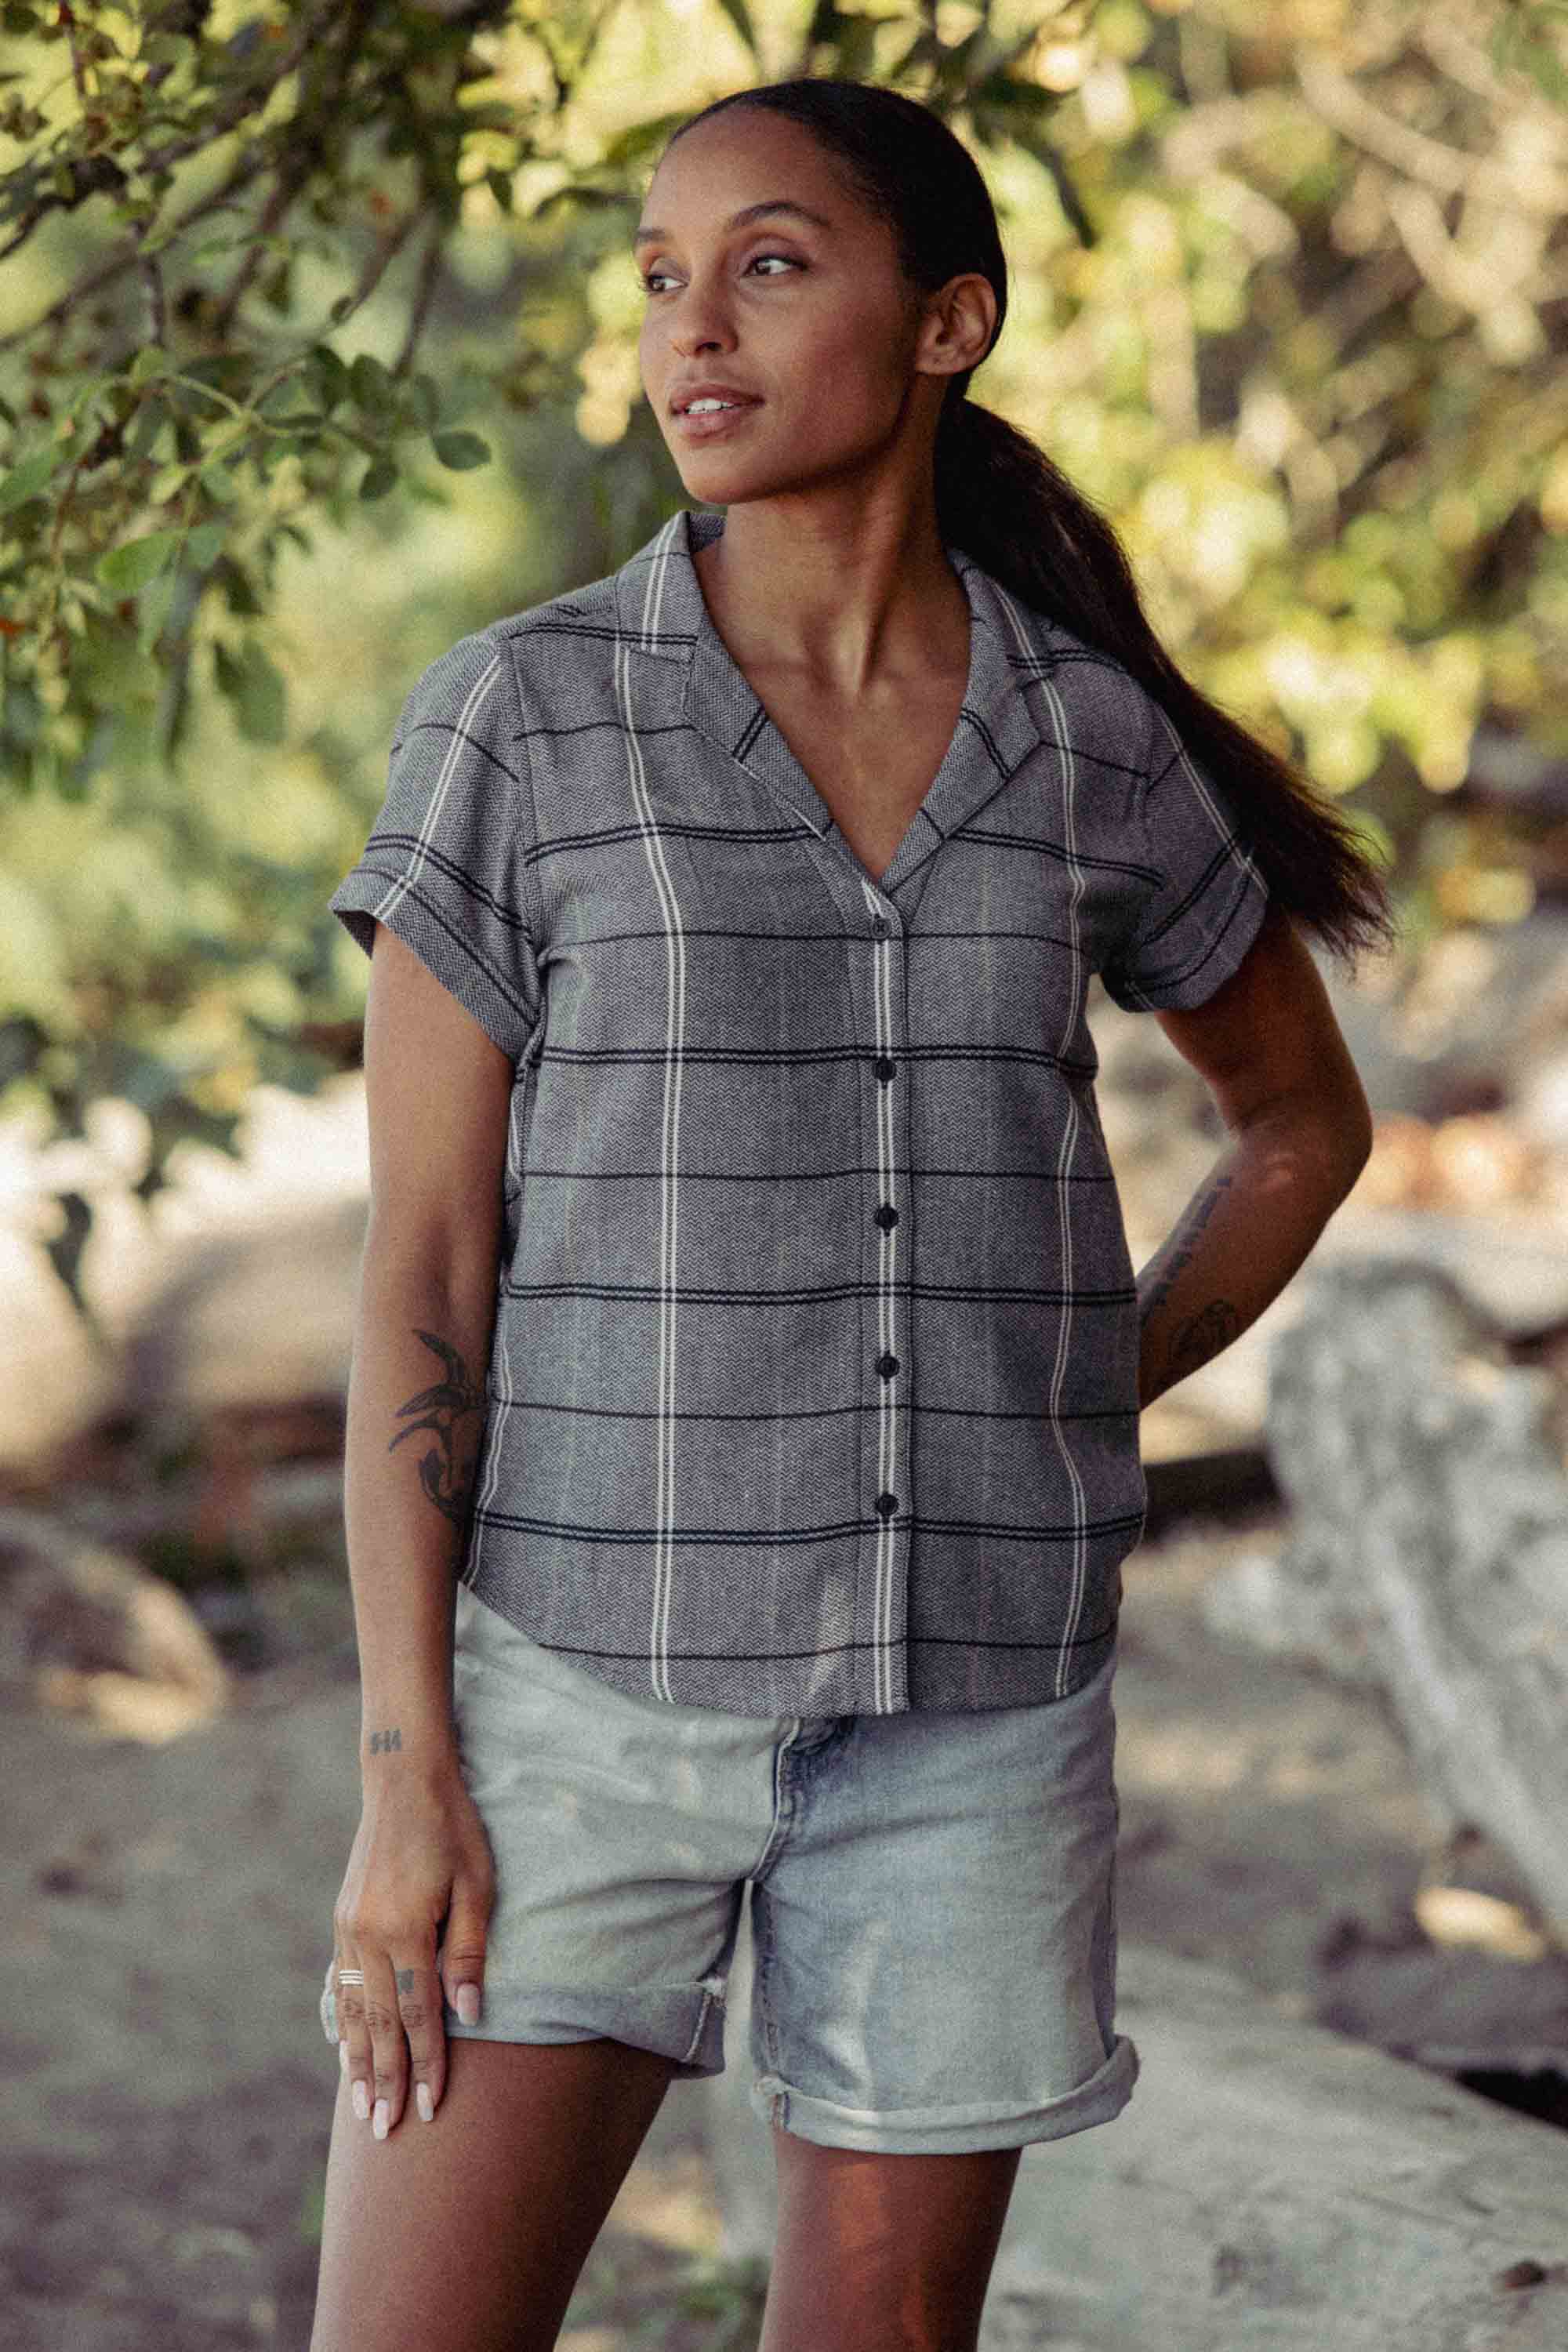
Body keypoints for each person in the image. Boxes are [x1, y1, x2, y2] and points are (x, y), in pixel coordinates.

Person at [307, 74, 1391, 2352]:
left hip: (977, 1720)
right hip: (578, 1694)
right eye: (660, 281)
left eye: (771, 265)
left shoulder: (1084, 741)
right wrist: (410, 1786)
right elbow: (421, 1269)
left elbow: (1297, 1118)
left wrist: (1069, 1381)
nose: (694, 331)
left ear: (947, 325)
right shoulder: (524, 719)